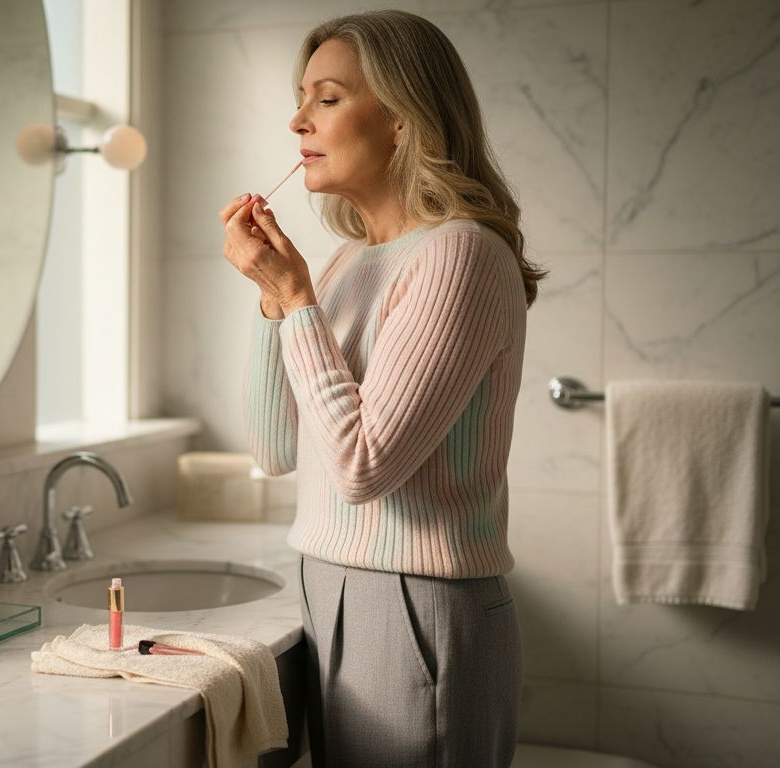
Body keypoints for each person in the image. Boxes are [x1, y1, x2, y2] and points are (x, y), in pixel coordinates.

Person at [221, 10, 545, 767]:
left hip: (417, 603)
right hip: (328, 588)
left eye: (328, 98)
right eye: (302, 98)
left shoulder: (461, 255)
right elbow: (274, 448)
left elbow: (363, 467)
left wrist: (296, 300)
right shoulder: (346, 263)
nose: (298, 120)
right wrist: (273, 299)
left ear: (402, 119)